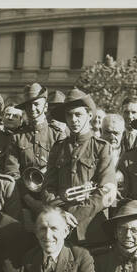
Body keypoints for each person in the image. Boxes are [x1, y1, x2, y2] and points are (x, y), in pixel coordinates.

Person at [37, 88, 118, 248]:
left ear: (89, 116)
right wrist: (61, 215)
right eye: (69, 115)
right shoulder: (58, 147)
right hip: (60, 229)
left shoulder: (101, 147)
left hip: (92, 230)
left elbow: (106, 191)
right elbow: (48, 188)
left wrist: (73, 216)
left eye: (78, 114)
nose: (73, 120)